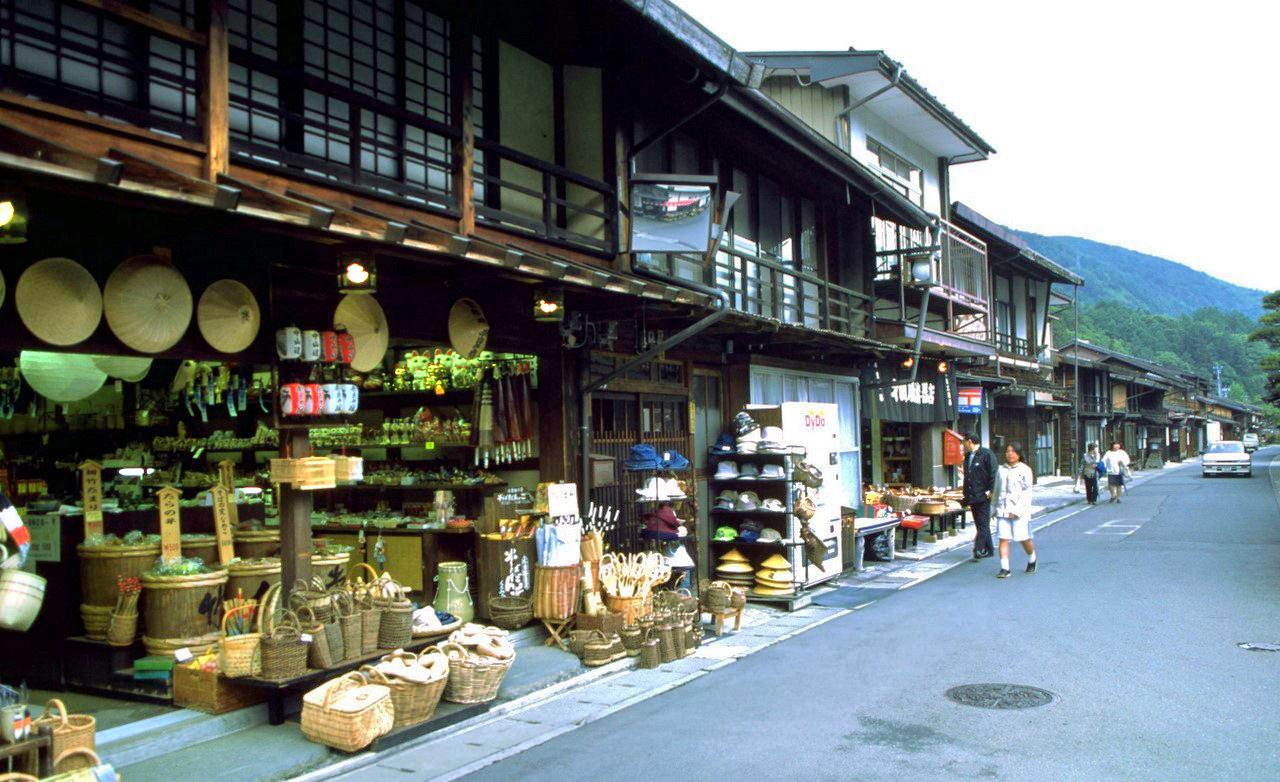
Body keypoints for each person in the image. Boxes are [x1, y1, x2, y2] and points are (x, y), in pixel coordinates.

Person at [993, 442, 1037, 578]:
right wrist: (993, 508)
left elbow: (1027, 493)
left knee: (1023, 538)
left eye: (1013, 451)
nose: (1009, 454)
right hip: (1003, 510)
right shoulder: (1001, 470)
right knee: (1003, 538)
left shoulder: (1025, 470)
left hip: (1020, 511)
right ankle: (1005, 568)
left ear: (1019, 454)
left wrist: (1017, 510)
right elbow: (996, 490)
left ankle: (1032, 558)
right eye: (1007, 451)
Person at [961, 432, 996, 559]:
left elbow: (993, 473)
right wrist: (965, 495)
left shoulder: (986, 454)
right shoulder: (968, 456)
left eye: (964, 442)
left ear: (969, 441)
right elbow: (967, 477)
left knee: (983, 524)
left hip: (984, 495)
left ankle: (978, 548)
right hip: (972, 495)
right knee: (980, 523)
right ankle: (990, 549)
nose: (963, 445)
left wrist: (992, 491)